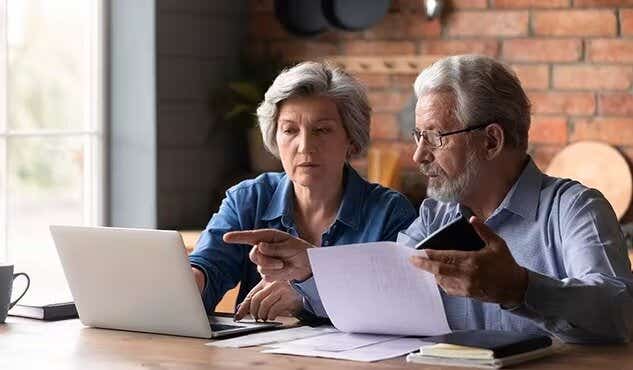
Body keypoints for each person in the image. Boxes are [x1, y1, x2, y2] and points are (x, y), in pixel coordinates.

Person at [229, 55, 633, 344]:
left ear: (491, 140)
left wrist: (519, 288)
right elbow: (383, 297)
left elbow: (620, 312)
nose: (419, 156)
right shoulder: (434, 216)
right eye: (417, 137)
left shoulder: (573, 208)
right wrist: (311, 270)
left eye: (435, 138)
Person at [189, 61, 416, 322]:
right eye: (290, 130)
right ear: (275, 137)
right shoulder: (248, 199)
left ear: (351, 139)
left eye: (322, 130)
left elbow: (399, 306)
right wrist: (191, 283)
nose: (305, 146)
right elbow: (208, 267)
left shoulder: (390, 213)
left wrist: (308, 296)